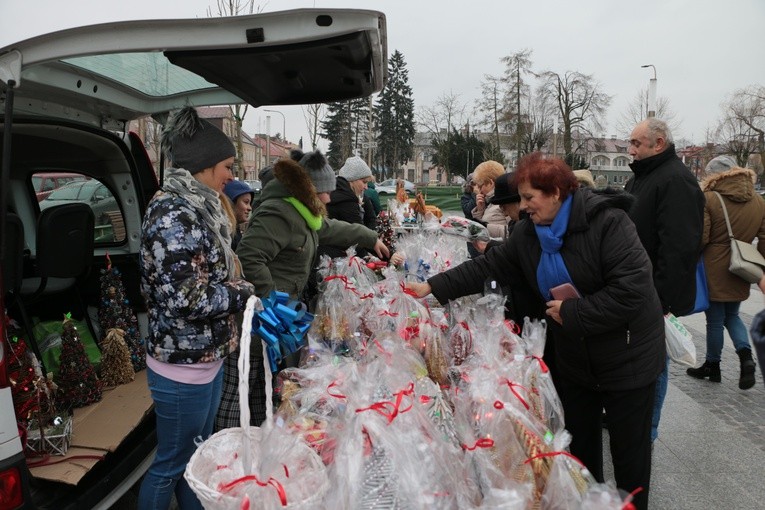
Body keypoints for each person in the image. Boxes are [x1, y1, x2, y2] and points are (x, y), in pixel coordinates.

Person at [407, 153, 664, 510]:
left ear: (557, 192)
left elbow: (633, 289)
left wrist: (575, 311)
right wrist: (432, 287)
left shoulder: (609, 223)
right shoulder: (530, 234)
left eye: (530, 198)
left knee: (630, 459)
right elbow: (491, 264)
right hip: (576, 359)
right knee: (581, 454)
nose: (523, 207)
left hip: (627, 357)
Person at [215, 150, 389, 430]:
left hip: (276, 317)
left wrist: (369, 237)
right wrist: (272, 301)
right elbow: (249, 257)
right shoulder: (279, 213)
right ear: (309, 190)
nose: (329, 199)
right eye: (324, 192)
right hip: (259, 319)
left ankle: (259, 440)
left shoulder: (303, 213)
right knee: (242, 389)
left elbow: (328, 228)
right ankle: (227, 447)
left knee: (265, 387)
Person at [138, 106, 255, 510]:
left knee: (198, 460)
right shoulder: (174, 214)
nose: (231, 175)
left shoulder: (199, 207)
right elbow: (184, 298)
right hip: (181, 367)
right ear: (204, 164)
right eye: (227, 165)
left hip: (204, 358)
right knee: (171, 464)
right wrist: (240, 294)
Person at [624, 118, 704, 443]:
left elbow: (680, 248)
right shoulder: (644, 176)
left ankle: (647, 430)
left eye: (636, 144)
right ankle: (635, 421)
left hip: (653, 295)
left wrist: (660, 300)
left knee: (654, 363)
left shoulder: (675, 181)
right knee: (638, 360)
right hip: (636, 288)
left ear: (658, 144)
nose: (630, 150)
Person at [686, 155, 765, 389]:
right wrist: (759, 266)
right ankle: (746, 358)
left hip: (714, 265)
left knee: (715, 320)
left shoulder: (710, 198)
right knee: (733, 315)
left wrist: (690, 258)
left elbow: (703, 236)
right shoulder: (758, 201)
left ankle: (713, 365)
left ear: (714, 175)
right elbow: (763, 237)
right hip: (742, 265)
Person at [471, 160, 510, 239]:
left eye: (480, 186)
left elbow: (513, 232)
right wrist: (480, 210)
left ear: (491, 183)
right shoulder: (491, 201)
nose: (479, 190)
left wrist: (485, 227)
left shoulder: (505, 201)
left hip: (501, 248)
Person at [223, 180, 254, 249]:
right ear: (230, 203)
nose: (250, 208)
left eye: (250, 203)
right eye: (246, 202)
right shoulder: (225, 235)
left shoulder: (234, 232)